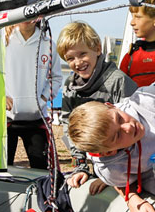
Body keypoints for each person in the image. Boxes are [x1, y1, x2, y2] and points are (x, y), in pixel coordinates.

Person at [57, 21, 137, 194]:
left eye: (82, 54)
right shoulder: (70, 88)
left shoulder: (117, 82)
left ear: (97, 49)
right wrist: (80, 165)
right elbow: (70, 128)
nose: (78, 62)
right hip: (94, 160)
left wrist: (109, 176)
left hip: (121, 165)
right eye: (70, 58)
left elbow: (132, 131)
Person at [4, 18, 63, 169]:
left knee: (41, 169)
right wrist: (1, 96)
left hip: (37, 118)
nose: (27, 19)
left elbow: (56, 78)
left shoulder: (48, 44)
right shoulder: (3, 40)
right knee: (2, 167)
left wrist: (42, 98)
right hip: (6, 119)